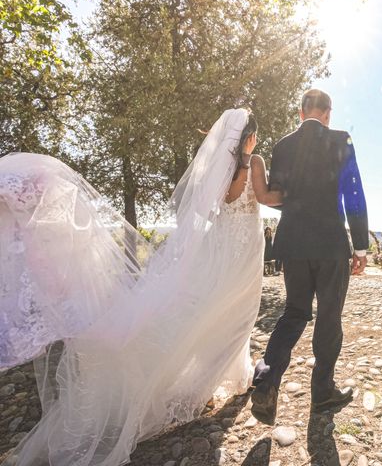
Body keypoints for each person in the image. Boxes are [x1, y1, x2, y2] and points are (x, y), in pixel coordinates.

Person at [0, 109, 283, 465]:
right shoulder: (251, 161)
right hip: (242, 246)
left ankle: (233, 371)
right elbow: (250, 197)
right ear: (249, 137)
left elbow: (207, 208)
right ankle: (217, 376)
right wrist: (281, 183)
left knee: (222, 309)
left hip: (227, 244)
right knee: (237, 310)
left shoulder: (218, 166)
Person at [251, 89, 368, 425]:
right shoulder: (341, 139)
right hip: (330, 242)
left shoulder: (283, 146)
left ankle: (267, 380)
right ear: (328, 114)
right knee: (329, 316)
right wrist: (360, 246)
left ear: (300, 114)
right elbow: (354, 193)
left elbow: (280, 195)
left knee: (294, 312)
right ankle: (323, 392)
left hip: (294, 242)